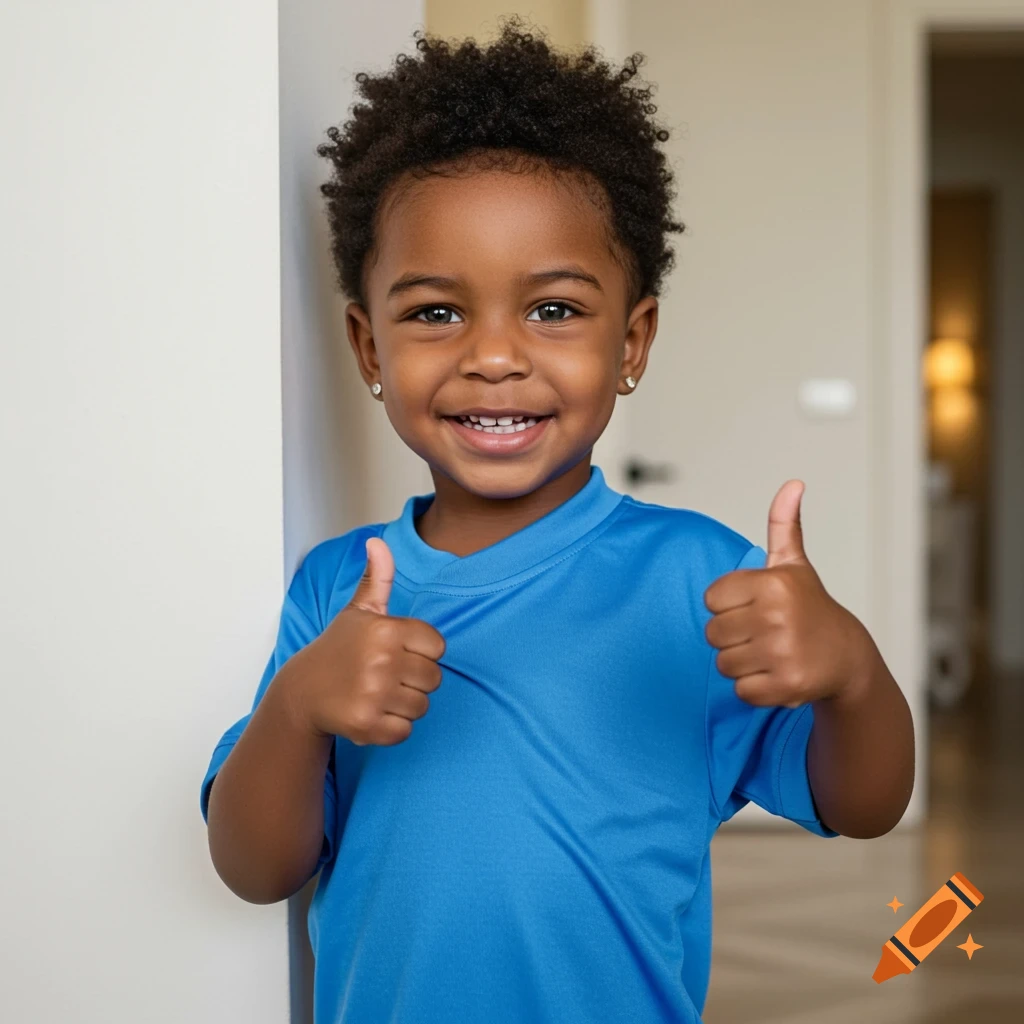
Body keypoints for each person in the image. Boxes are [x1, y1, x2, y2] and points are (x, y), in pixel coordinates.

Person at [200, 19, 915, 1024]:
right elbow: (252, 864)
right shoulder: (341, 584)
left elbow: (865, 803)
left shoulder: (699, 577)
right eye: (436, 312)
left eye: (553, 310)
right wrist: (296, 709)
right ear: (367, 346)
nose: (494, 355)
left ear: (634, 340)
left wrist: (851, 672)